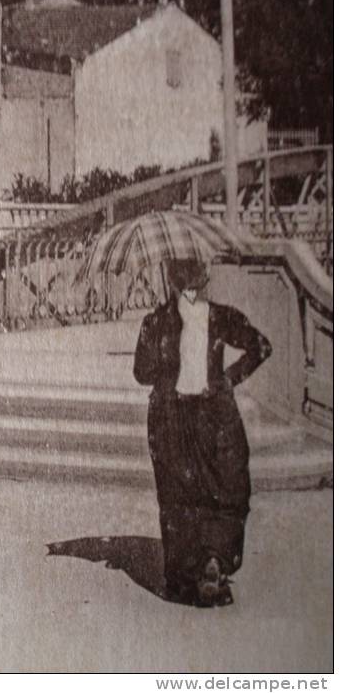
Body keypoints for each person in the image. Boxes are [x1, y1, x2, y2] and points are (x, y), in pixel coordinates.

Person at [133, 259, 272, 607]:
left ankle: (182, 578)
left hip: (171, 417)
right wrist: (228, 378)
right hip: (216, 414)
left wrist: (166, 362)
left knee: (178, 495)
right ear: (205, 279)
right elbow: (261, 347)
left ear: (171, 282)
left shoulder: (155, 321)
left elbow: (141, 373)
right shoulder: (222, 316)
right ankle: (216, 561)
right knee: (226, 490)